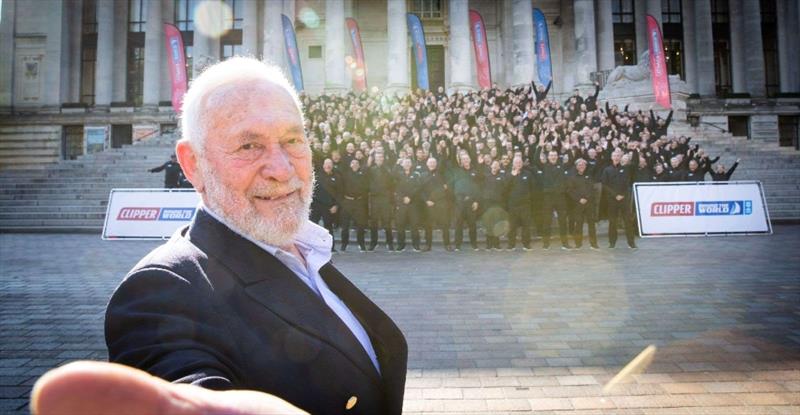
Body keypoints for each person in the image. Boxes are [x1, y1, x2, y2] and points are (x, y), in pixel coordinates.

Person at [33, 58, 407, 415]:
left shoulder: (307, 250)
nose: (281, 168)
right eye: (249, 146)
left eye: (293, 140)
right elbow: (184, 381)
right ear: (193, 164)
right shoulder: (161, 290)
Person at [600, 150, 637, 249]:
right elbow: (604, 185)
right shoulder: (607, 170)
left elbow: (627, 183)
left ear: (621, 157)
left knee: (628, 221)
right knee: (612, 222)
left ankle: (631, 243)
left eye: (618, 156)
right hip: (612, 200)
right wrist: (615, 195)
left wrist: (622, 195)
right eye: (614, 156)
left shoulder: (626, 169)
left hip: (624, 199)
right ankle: (612, 243)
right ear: (612, 157)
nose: (616, 157)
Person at [566, 159, 599, 249]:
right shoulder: (572, 177)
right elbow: (570, 190)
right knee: (579, 224)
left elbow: (592, 189)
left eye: (583, 165)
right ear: (576, 166)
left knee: (591, 224)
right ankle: (578, 244)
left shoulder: (589, 176)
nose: (581, 166)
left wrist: (586, 198)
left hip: (589, 203)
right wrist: (579, 199)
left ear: (586, 166)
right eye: (579, 165)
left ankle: (594, 244)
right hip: (578, 204)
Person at [367, 151, 395, 251]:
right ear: (375, 159)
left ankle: (390, 243)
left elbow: (392, 183)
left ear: (383, 159)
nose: (379, 159)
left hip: (385, 198)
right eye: (377, 158)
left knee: (387, 221)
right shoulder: (371, 169)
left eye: (381, 157)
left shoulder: (387, 169)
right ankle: (373, 243)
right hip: (374, 198)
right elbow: (366, 177)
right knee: (374, 222)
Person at [340, 159, 369, 251]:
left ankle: (361, 244)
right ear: (350, 165)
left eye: (357, 163)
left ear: (359, 165)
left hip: (359, 202)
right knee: (345, 225)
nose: (355, 165)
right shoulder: (345, 175)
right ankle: (344, 244)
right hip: (348, 201)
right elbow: (341, 187)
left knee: (361, 224)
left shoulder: (363, 175)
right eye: (353, 163)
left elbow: (366, 187)